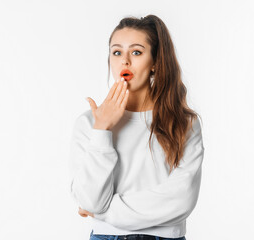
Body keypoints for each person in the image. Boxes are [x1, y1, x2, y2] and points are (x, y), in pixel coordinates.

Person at [70, 14, 205, 240]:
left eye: (136, 52)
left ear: (155, 63)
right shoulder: (89, 123)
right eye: (117, 52)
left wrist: (103, 213)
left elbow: (181, 200)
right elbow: (89, 200)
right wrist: (102, 130)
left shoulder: (184, 123)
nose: (125, 61)